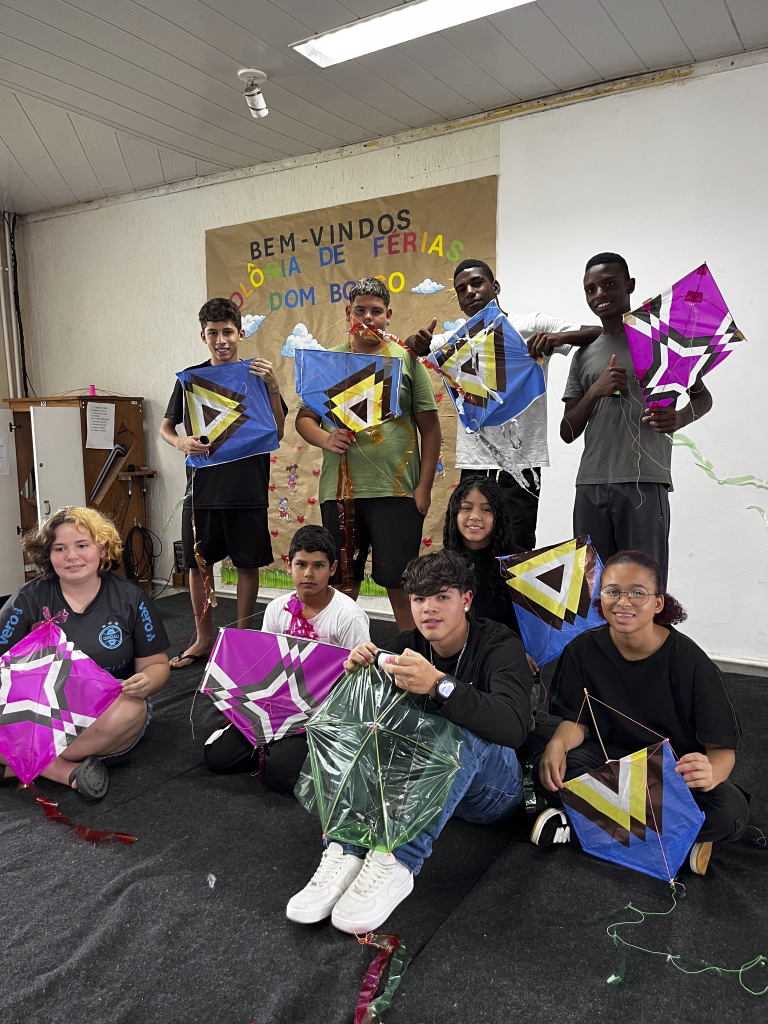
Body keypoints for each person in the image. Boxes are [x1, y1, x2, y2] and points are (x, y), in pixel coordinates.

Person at [286, 550, 533, 934]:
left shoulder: (500, 645)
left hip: (493, 791)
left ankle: (396, 861)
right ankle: (345, 848)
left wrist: (440, 686)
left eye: (442, 597)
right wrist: (359, 677)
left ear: (466, 600)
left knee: (462, 729)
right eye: (419, 599)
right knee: (367, 716)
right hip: (420, 790)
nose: (428, 608)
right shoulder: (407, 645)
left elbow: (514, 728)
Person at [531, 550, 748, 876]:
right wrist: (557, 745)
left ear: (658, 603)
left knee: (730, 812)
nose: (623, 602)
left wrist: (711, 772)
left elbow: (722, 752)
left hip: (671, 775)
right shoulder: (582, 649)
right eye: (612, 592)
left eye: (637, 593)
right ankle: (676, 841)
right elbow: (575, 722)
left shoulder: (691, 663)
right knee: (547, 770)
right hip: (610, 762)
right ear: (600, 598)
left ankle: (575, 828)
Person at [406, 260, 601, 551]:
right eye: (461, 289)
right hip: (476, 464)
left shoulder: (531, 324)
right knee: (467, 553)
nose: (470, 292)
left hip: (522, 465)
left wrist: (557, 338)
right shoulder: (456, 338)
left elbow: (596, 332)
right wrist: (417, 341)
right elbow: (413, 345)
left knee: (516, 552)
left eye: (477, 283)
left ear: (495, 287)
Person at [295, 278, 441, 631]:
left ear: (388, 315)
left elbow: (431, 429)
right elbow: (304, 419)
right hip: (340, 493)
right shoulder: (328, 362)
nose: (368, 318)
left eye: (376, 311)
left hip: (397, 492)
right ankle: (338, 652)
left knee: (401, 583)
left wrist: (424, 487)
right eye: (360, 310)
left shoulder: (407, 359)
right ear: (348, 312)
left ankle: (411, 651)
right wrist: (326, 439)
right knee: (343, 582)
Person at [561, 253, 713, 583]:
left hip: (644, 481)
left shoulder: (662, 342)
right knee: (593, 588)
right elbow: (567, 430)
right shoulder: (583, 354)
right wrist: (595, 391)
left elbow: (703, 398)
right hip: (590, 484)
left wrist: (679, 419)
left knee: (643, 584)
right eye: (590, 289)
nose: (600, 294)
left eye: (609, 284)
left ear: (630, 285)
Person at [0, 507, 170, 799]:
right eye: (59, 548)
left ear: (102, 549)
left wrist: (147, 682)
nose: (71, 556)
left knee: (134, 709)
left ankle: (17, 762)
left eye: (82, 545)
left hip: (105, 708)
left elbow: (156, 665)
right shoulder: (27, 598)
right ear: (48, 555)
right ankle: (62, 771)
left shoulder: (131, 598)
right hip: (38, 706)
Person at [160, 297, 286, 668]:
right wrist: (180, 443)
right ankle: (203, 640)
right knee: (198, 565)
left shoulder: (258, 375)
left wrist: (274, 386)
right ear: (203, 336)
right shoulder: (190, 380)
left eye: (227, 332)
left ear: (240, 333)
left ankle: (243, 640)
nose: (221, 340)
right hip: (202, 488)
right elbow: (166, 427)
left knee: (247, 564)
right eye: (213, 333)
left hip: (247, 486)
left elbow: (278, 430)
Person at [204, 525, 371, 791]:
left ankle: (288, 750)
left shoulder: (348, 616)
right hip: (276, 702)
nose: (308, 574)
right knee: (217, 758)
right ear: (289, 566)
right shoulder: (276, 609)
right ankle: (272, 745)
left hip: (321, 711)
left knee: (282, 771)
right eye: (301, 564)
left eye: (318, 566)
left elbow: (359, 684)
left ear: (332, 568)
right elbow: (264, 664)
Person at [442, 476, 521, 636]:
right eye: (466, 508)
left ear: (499, 516)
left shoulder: (520, 565)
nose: (475, 516)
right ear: (454, 513)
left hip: (506, 648)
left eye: (486, 510)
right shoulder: (439, 566)